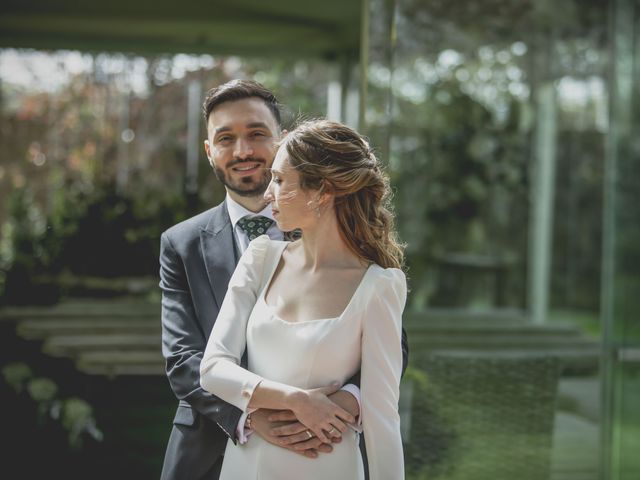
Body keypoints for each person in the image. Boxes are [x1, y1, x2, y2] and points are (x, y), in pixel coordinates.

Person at [159, 80, 408, 480]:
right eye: (226, 138)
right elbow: (189, 360)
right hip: (214, 455)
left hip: (325, 455)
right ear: (209, 151)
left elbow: (386, 377)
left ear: (282, 139)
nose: (242, 151)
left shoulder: (376, 283)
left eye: (256, 134)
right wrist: (271, 410)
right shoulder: (191, 245)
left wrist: (342, 403)